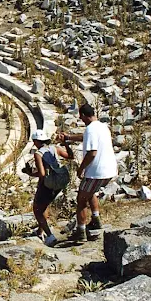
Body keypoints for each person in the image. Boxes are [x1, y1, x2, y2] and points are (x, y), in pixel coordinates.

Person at [58, 103, 117, 243]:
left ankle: (81, 231)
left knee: (81, 199)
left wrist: (81, 168)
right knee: (91, 193)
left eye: (81, 117)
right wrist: (68, 137)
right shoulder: (102, 126)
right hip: (110, 170)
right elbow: (85, 137)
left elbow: (92, 153)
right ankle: (95, 219)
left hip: (97, 172)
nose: (81, 119)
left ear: (84, 115)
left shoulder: (90, 129)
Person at [30, 130, 72, 246]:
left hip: (48, 183)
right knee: (45, 205)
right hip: (60, 181)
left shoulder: (38, 154)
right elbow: (70, 156)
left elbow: (42, 174)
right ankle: (40, 231)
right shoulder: (55, 148)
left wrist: (30, 174)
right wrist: (66, 144)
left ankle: (50, 235)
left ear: (36, 141)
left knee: (37, 209)